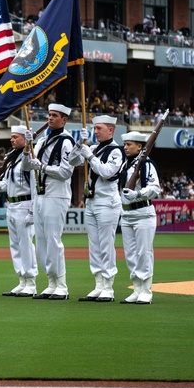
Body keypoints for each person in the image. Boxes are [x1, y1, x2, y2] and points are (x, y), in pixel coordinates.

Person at [24, 103, 77, 300]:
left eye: (55, 116)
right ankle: (51, 282)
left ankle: (61, 284)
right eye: (49, 115)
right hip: (40, 195)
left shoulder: (67, 142)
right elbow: (28, 166)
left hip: (56, 195)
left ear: (64, 120)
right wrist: (26, 150)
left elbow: (65, 172)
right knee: (42, 242)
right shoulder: (43, 140)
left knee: (54, 240)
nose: (50, 118)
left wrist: (43, 167)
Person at [71, 115, 124, 302]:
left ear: (110, 130)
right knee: (94, 246)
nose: (95, 132)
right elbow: (71, 162)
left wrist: (90, 156)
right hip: (91, 202)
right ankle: (98, 284)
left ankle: (108, 286)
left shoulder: (116, 151)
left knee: (106, 245)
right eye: (94, 129)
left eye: (99, 128)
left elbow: (107, 172)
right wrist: (79, 145)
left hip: (107, 202)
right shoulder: (92, 147)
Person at [0, 125, 38, 297]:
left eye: (15, 137)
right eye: (12, 137)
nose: (12, 139)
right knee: (15, 245)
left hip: (25, 204)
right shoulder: (12, 159)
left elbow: (35, 186)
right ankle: (22, 279)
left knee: (26, 244)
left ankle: (31, 281)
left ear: (24, 138)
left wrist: (32, 211)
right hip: (12, 205)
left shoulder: (28, 158)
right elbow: (8, 184)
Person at [118, 131, 162, 304]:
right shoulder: (125, 165)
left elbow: (155, 188)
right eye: (125, 144)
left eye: (129, 144)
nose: (126, 147)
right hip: (127, 213)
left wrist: (137, 194)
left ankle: (146, 290)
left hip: (143, 213)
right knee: (130, 254)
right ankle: (136, 288)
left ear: (140, 147)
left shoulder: (146, 164)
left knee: (144, 253)